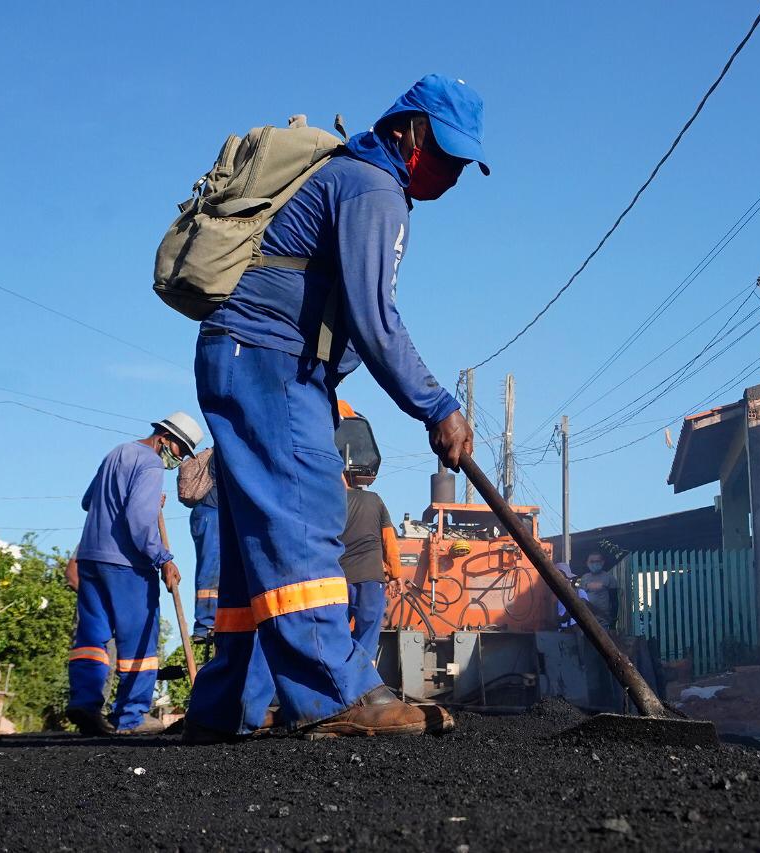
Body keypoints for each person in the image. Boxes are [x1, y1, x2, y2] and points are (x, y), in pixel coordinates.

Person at [182, 74, 484, 743]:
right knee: (307, 507)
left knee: (250, 539)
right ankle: (332, 693)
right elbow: (376, 319)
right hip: (270, 359)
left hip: (243, 354)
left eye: (464, 164)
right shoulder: (375, 188)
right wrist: (437, 405)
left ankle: (223, 705)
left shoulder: (356, 179)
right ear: (409, 129)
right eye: (446, 153)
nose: (453, 173)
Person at [67, 412, 201, 735]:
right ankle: (131, 716)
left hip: (91, 557)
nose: (178, 459)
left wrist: (145, 499)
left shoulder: (117, 452)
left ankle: (85, 703)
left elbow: (89, 501)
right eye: (180, 451)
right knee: (138, 639)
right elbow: (140, 521)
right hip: (127, 565)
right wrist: (163, 558)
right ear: (165, 439)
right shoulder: (152, 465)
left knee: (92, 636)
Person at [337, 420, 399, 668]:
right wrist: (395, 575)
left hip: (337, 580)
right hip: (370, 580)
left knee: (337, 636)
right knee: (367, 635)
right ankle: (363, 684)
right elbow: (389, 542)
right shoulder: (375, 501)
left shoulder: (331, 501)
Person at [177, 447, 220, 642]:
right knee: (211, 568)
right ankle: (206, 623)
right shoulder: (224, 452)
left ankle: (211, 620)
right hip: (211, 513)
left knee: (215, 567)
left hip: (208, 514)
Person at [577, 552, 619, 631]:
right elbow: (580, 597)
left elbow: (614, 601)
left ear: (602, 562)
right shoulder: (584, 578)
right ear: (587, 563)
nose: (594, 564)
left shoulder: (609, 578)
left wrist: (613, 622)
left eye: (597, 561)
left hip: (602, 618)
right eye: (592, 561)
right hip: (586, 617)